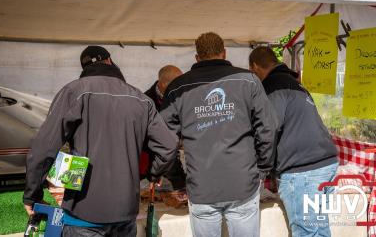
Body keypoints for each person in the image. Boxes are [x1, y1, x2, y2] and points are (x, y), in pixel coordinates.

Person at [23, 46, 178, 237]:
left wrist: (32, 195)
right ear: (109, 61)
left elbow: (43, 148)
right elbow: (169, 146)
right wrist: (153, 174)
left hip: (83, 211)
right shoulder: (141, 99)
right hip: (125, 211)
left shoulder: (74, 92)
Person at [160, 32, 278, 237]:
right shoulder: (248, 80)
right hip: (242, 182)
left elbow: (164, 140)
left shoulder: (178, 87)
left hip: (202, 186)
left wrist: (178, 179)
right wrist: (262, 169)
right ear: (224, 53)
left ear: (197, 57)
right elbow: (268, 128)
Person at [249, 47, 338, 237]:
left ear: (255, 67)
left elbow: (268, 129)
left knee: (308, 232)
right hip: (324, 164)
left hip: (303, 172)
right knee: (319, 230)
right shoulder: (293, 83)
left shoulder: (273, 86)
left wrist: (261, 169)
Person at [142, 65, 187, 192]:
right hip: (152, 165)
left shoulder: (181, 97)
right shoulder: (146, 102)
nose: (181, 88)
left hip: (178, 159)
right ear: (162, 84)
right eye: (177, 84)